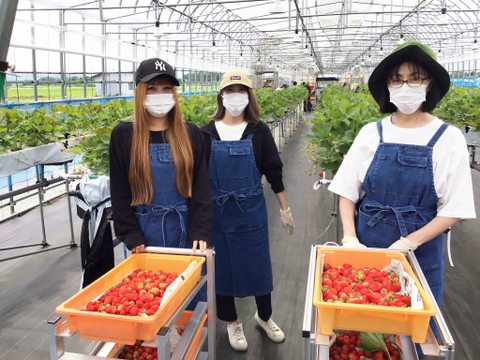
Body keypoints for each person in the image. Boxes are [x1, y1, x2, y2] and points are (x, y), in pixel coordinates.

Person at [329, 41, 476, 341]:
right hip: (366, 247)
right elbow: (347, 190)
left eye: (415, 78)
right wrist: (349, 237)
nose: (404, 86)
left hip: (420, 252)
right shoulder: (371, 132)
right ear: (388, 86)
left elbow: (454, 209)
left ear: (429, 83)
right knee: (365, 332)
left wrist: (409, 242)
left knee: (413, 336)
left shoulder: (449, 138)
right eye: (397, 79)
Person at [201, 70, 295, 351]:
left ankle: (264, 316)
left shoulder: (259, 130)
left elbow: (273, 171)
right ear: (221, 96)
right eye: (230, 91)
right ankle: (232, 322)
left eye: (241, 91)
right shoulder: (205, 133)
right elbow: (197, 178)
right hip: (217, 213)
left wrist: (285, 208)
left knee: (258, 266)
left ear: (249, 95)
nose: (235, 96)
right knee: (224, 269)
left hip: (251, 210)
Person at [109, 57, 212, 270]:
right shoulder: (124, 135)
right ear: (139, 92)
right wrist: (130, 232)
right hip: (143, 233)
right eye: (152, 89)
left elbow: (201, 187)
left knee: (190, 297)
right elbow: (119, 192)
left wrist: (200, 230)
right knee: (150, 294)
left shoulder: (190, 133)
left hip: (186, 230)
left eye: (166, 88)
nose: (160, 95)